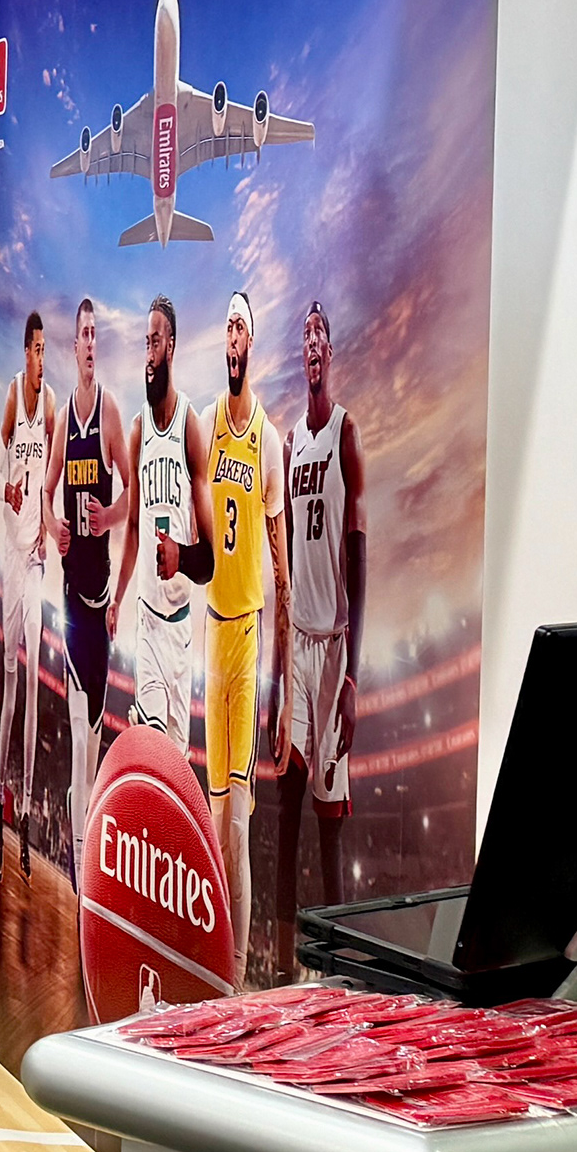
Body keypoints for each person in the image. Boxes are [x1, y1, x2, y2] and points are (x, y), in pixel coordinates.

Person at [272, 299, 369, 980]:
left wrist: (354, 675)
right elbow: (282, 574)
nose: (311, 343)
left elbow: (358, 556)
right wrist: (279, 680)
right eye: (304, 333)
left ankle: (336, 969)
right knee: (286, 804)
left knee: (329, 819)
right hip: (297, 644)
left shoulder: (344, 432)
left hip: (333, 646)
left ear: (329, 354)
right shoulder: (289, 446)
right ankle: (281, 964)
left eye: (320, 334)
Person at [202, 291, 291, 977]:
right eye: (227, 324)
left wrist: (283, 693)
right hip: (209, 633)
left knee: (238, 821)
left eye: (240, 325)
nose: (232, 334)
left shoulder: (269, 441)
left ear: (251, 342)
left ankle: (233, 973)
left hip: (247, 640)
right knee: (213, 819)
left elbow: (284, 580)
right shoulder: (205, 425)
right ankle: (209, 960)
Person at [118, 295, 213, 783]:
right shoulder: (137, 431)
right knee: (153, 749)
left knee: (175, 771)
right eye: (145, 343)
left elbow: (208, 563)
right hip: (148, 622)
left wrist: (180, 556)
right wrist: (117, 597)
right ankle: (144, 718)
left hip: (180, 632)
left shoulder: (189, 428)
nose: (149, 354)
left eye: (155, 342)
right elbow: (133, 528)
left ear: (171, 347)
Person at [55, 296, 131, 857]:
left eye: (95, 334)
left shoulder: (110, 413)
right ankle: (80, 859)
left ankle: (83, 828)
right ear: (72, 345)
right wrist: (52, 525)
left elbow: (133, 493)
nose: (90, 343)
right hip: (69, 592)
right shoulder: (64, 418)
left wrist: (109, 517)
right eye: (83, 334)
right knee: (78, 733)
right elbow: (45, 490)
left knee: (94, 738)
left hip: (100, 593)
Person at [0, 310, 54, 865]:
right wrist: (8, 490)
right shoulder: (13, 395)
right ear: (24, 352)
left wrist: (49, 531)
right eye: (35, 349)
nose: (41, 358)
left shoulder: (50, 403)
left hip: (33, 562)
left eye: (44, 349)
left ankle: (28, 811)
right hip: (11, 560)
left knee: (33, 680)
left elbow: (51, 481)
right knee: (9, 680)